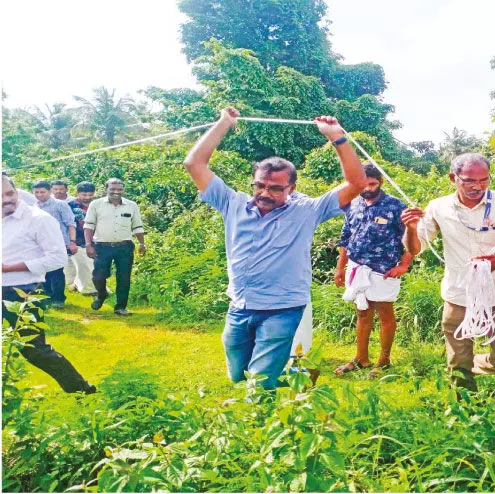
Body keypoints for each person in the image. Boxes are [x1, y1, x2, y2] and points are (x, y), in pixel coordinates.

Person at [183, 107, 366, 390]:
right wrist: (223, 124)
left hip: (282, 307)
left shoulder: (308, 210)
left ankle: (259, 425)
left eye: (275, 189)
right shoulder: (232, 203)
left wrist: (337, 139)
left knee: (259, 382)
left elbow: (356, 183)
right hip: (240, 305)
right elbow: (194, 164)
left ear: (291, 188)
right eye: (260, 186)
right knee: (237, 376)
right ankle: (299, 378)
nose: (265, 194)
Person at [401, 153, 495, 391]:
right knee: (459, 366)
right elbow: (416, 248)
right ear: (453, 178)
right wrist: (410, 229)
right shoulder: (438, 207)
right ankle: (464, 410)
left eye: (484, 180)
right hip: (459, 293)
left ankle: (469, 364)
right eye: (469, 180)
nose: (477, 187)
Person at [2, 173, 96, 394]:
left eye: (9, 193)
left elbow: (57, 258)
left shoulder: (39, 219)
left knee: (35, 350)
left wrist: (8, 268)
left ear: (16, 191)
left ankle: (82, 390)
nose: (6, 199)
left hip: (23, 293)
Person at [333, 163, 414, 378]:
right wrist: (340, 268)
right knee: (362, 312)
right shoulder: (353, 204)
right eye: (364, 184)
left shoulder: (396, 206)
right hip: (356, 266)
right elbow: (345, 239)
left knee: (384, 312)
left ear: (381, 182)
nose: (368, 188)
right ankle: (362, 358)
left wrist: (403, 265)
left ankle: (384, 360)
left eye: (373, 183)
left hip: (384, 269)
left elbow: (414, 239)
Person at [84, 178, 146, 315]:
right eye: (112, 189)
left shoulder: (131, 205)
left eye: (119, 189)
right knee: (98, 276)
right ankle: (101, 294)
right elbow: (89, 226)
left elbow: (137, 226)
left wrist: (142, 243)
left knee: (124, 277)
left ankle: (120, 307)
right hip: (102, 246)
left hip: (124, 247)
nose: (116, 192)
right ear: (106, 189)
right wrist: (88, 245)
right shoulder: (96, 204)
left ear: (123, 190)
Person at [32, 179, 76, 308]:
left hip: (59, 243)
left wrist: (72, 242)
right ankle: (47, 297)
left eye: (43, 192)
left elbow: (70, 224)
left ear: (50, 191)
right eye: (37, 192)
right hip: (39, 244)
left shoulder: (60, 205)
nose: (40, 194)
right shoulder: (33, 206)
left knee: (56, 271)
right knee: (43, 271)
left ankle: (58, 299)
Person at [65, 182, 98, 295]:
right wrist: (70, 241)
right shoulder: (70, 206)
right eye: (84, 195)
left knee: (94, 265)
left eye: (90, 195)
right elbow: (67, 224)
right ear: (77, 193)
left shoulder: (98, 204)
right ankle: (88, 290)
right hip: (77, 240)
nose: (87, 198)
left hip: (95, 239)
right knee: (83, 264)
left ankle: (77, 284)